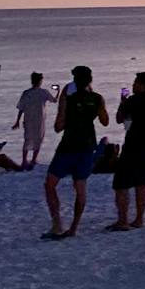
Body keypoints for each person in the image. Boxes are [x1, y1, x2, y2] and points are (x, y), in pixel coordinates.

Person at [44, 65, 108, 239]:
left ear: (74, 80)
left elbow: (58, 127)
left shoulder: (69, 99)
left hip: (69, 145)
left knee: (50, 185)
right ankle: (74, 227)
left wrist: (63, 108)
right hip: (87, 146)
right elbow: (105, 121)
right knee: (80, 187)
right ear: (90, 80)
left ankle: (57, 224)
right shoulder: (97, 98)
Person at [108, 71, 145, 230]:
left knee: (121, 184)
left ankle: (123, 220)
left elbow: (119, 119)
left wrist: (122, 102)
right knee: (141, 183)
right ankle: (139, 219)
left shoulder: (133, 100)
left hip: (134, 144)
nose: (133, 85)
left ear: (142, 84)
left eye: (135, 82)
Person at [12, 71, 58, 170]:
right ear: (40, 81)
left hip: (28, 119)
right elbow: (54, 100)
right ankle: (33, 159)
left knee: (27, 139)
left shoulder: (26, 93)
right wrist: (58, 91)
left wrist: (17, 121)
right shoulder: (43, 92)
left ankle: (24, 161)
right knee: (38, 138)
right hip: (39, 120)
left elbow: (21, 108)